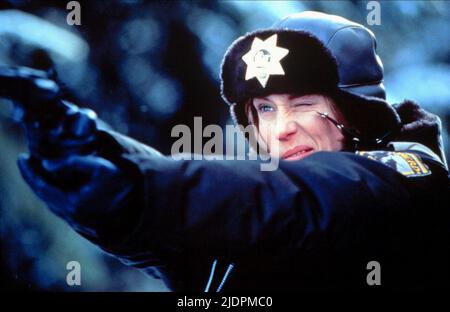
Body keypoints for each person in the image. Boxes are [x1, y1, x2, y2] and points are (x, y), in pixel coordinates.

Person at [1, 11, 448, 291]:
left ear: (358, 115)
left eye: (305, 104)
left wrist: (141, 186)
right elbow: (181, 237)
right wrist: (91, 145)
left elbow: (295, 201)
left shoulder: (408, 178)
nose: (282, 129)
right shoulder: (254, 214)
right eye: (265, 109)